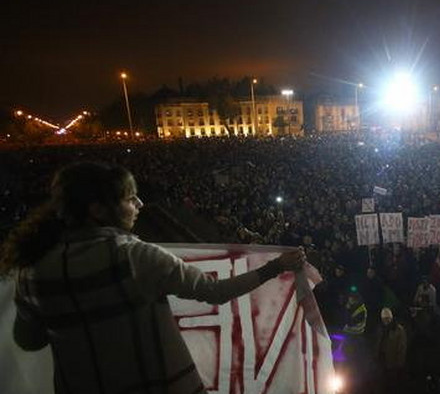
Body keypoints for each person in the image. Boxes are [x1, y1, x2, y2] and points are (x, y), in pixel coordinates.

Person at [2, 162, 305, 394]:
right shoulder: (135, 257)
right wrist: (275, 267)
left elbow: (28, 340)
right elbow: (214, 291)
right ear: (97, 209)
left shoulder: (32, 270)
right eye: (130, 198)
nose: (140, 206)